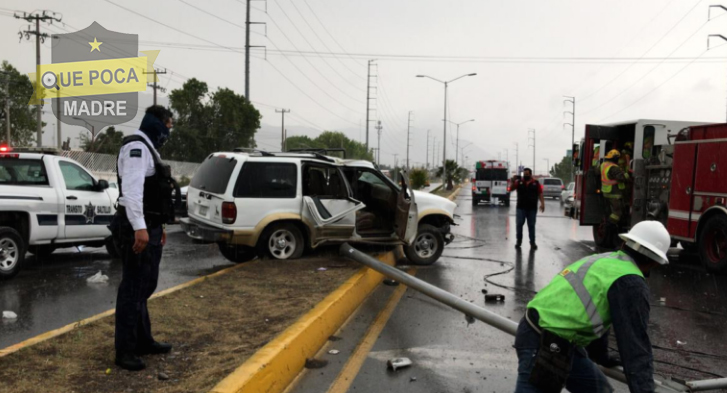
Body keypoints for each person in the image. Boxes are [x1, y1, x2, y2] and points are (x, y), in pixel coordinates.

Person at [513, 220, 670, 393]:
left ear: (625, 243)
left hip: (549, 336)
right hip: (543, 342)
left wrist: (600, 355)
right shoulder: (631, 282)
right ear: (655, 261)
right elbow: (635, 349)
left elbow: (592, 312)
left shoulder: (605, 261)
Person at [112, 105, 177, 371]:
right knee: (133, 288)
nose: (170, 130)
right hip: (135, 227)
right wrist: (139, 227)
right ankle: (125, 350)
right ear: (158, 123)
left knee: (144, 286)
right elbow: (132, 191)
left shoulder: (149, 148)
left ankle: (142, 340)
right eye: (169, 124)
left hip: (148, 225)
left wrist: (157, 227)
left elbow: (154, 196)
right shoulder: (137, 148)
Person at [509, 168, 545, 250]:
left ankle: (532, 243)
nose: (526, 175)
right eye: (524, 174)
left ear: (530, 175)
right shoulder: (519, 182)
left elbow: (540, 193)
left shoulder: (535, 183)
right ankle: (519, 241)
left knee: (531, 225)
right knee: (519, 224)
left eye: (527, 174)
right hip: (521, 207)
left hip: (532, 208)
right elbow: (511, 189)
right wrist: (512, 181)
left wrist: (542, 204)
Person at [601, 149, 629, 225]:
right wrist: (626, 175)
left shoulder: (603, 165)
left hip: (606, 193)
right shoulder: (613, 168)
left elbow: (597, 171)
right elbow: (621, 178)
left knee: (611, 211)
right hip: (614, 194)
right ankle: (610, 225)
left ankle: (610, 225)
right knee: (617, 213)